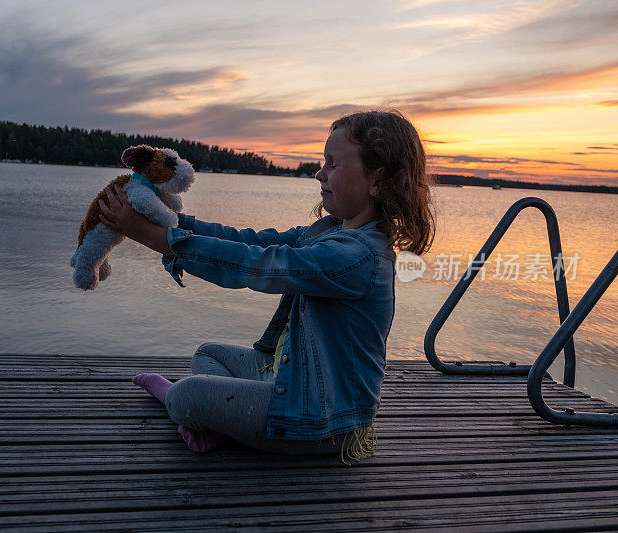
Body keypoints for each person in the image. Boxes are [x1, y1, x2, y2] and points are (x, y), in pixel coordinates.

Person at [97, 110, 435, 464]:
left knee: (188, 396)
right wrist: (175, 222)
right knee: (207, 354)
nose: (319, 173)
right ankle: (229, 424)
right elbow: (253, 243)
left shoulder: (356, 258)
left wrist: (155, 237)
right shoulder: (329, 232)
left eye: (333, 164)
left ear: (378, 180)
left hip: (324, 421)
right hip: (293, 381)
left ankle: (202, 410)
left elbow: (258, 265)